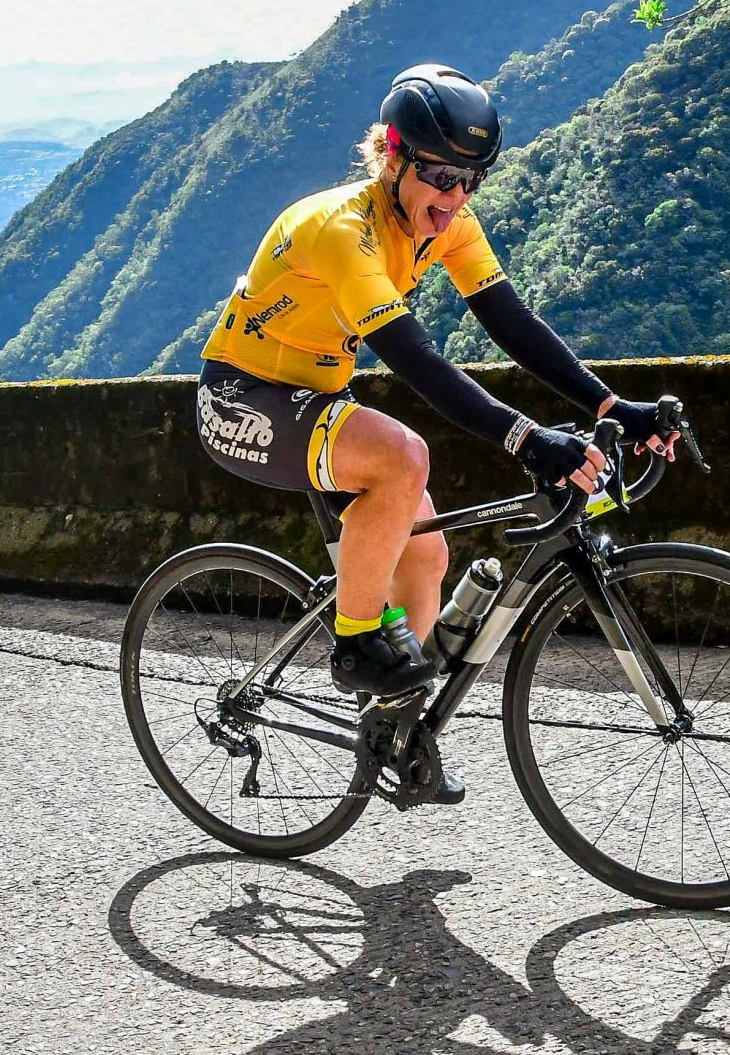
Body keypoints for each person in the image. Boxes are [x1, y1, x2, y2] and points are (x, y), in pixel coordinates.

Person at [197, 62, 679, 716]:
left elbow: (511, 321)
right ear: (392, 158)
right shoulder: (344, 231)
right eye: (441, 175)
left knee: (425, 557)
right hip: (242, 399)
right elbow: (417, 361)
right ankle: (356, 642)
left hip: (315, 401)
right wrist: (527, 438)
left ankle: (392, 727)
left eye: (471, 179)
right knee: (404, 456)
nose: (455, 196)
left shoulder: (447, 223)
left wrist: (610, 404)